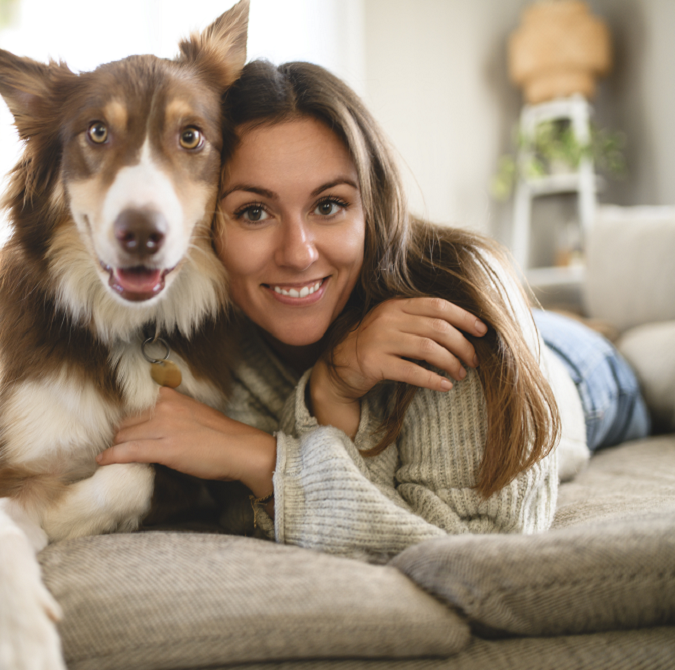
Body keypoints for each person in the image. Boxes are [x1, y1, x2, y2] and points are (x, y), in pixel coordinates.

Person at [97, 60, 650, 561]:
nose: (298, 253)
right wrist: (332, 390)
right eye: (254, 212)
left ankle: (601, 331)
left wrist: (263, 458)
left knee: (653, 362)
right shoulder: (198, 338)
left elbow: (483, 548)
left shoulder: (455, 293)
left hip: (577, 374)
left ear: (372, 205)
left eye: (330, 205)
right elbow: (245, 512)